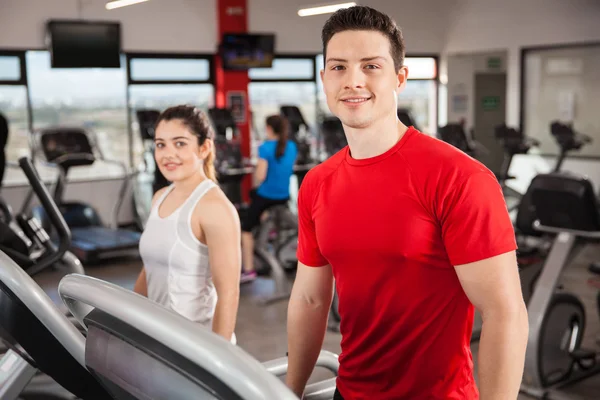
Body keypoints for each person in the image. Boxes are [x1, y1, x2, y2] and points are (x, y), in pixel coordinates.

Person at [285, 6, 529, 400]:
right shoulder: (317, 183)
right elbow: (311, 298)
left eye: (371, 66)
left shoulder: (459, 178)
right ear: (324, 79)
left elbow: (505, 313)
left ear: (400, 77)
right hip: (348, 393)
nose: (353, 81)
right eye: (339, 67)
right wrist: (289, 391)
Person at [133, 105, 241, 343]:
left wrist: (218, 358)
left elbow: (229, 294)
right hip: (159, 337)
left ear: (204, 148)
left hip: (197, 344)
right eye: (161, 144)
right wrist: (127, 322)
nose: (167, 154)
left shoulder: (215, 208)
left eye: (180, 143)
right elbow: (149, 269)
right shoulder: (159, 198)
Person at [240, 115, 298, 282]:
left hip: (267, 196)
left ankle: (249, 270)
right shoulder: (292, 146)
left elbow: (261, 175)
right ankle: (269, 225)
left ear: (269, 129)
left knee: (246, 229)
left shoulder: (265, 147)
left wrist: (256, 168)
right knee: (263, 208)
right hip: (283, 196)